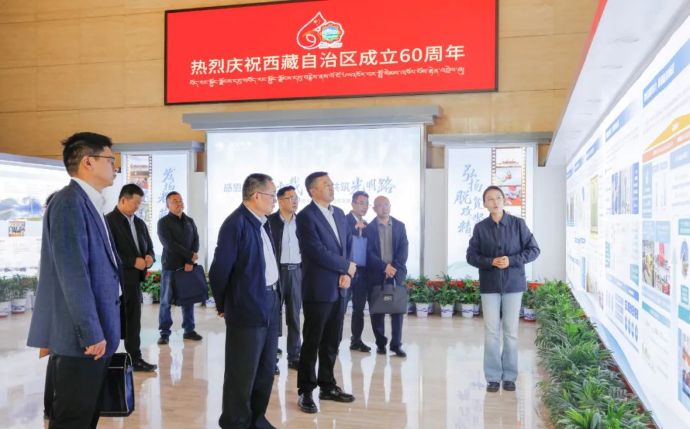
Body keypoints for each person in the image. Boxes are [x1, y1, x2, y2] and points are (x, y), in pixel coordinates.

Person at [27, 132, 121, 428]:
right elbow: (73, 274)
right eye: (110, 159)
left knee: (86, 416)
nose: (115, 166)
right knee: (73, 419)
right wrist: (91, 332)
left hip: (96, 336)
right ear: (88, 162)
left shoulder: (90, 203)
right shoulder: (69, 203)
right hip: (81, 340)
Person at [209, 173, 281, 429]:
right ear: (256, 196)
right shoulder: (235, 224)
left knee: (265, 369)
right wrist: (224, 304)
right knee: (242, 372)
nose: (275, 200)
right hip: (247, 306)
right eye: (272, 195)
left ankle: (256, 418)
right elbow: (219, 271)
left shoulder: (264, 223)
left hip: (270, 301)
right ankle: (235, 422)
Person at [466, 186, 540, 392]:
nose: (495, 202)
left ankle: (509, 376)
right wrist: (490, 261)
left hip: (513, 285)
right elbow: (471, 256)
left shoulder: (518, 224)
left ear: (504, 200)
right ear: (485, 204)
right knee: (491, 332)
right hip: (489, 285)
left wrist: (511, 260)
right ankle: (492, 377)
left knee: (510, 332)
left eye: (498, 198)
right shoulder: (480, 228)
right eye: (490, 199)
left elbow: (534, 250)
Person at [296, 171, 356, 414]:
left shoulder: (339, 213)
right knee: (312, 341)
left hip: (340, 287)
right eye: (326, 184)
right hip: (318, 289)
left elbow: (348, 246)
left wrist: (348, 273)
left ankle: (327, 386)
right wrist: (345, 266)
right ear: (313, 191)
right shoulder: (305, 217)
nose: (331, 187)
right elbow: (316, 251)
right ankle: (305, 390)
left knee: (332, 340)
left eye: (331, 183)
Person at [106, 183, 157, 372]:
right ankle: (106, 359)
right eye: (135, 203)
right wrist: (132, 261)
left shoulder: (139, 223)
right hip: (116, 281)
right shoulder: (108, 222)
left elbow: (149, 246)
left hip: (134, 281)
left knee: (134, 321)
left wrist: (149, 257)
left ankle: (135, 359)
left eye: (139, 203)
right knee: (113, 321)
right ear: (123, 200)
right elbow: (109, 251)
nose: (137, 207)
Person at [364, 196, 409, 357]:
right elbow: (368, 252)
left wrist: (393, 268)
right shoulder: (368, 228)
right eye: (380, 205)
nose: (384, 208)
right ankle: (380, 344)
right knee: (377, 311)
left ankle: (396, 345)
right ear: (374, 209)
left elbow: (403, 249)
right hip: (377, 273)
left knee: (397, 311)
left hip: (396, 273)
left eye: (386, 205)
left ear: (390, 206)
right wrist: (384, 267)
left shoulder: (400, 226)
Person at [157, 191, 202, 344]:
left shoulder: (189, 221)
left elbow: (196, 240)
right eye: (175, 201)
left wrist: (190, 261)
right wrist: (189, 255)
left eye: (180, 200)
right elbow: (169, 244)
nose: (179, 203)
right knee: (165, 301)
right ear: (167, 205)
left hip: (187, 267)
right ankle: (164, 333)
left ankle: (189, 330)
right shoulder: (163, 222)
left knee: (188, 300)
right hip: (170, 267)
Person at [267, 185, 302, 371]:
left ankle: (294, 356)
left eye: (296, 197)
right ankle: (271, 357)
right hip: (277, 273)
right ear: (280, 201)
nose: (294, 201)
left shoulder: (302, 222)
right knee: (274, 316)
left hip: (296, 272)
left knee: (294, 316)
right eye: (290, 198)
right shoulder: (270, 221)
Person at [346, 190, 373, 352]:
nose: (364, 207)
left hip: (362, 273)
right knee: (340, 309)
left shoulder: (368, 225)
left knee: (359, 309)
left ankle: (356, 340)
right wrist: (355, 228)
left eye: (367, 204)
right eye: (361, 203)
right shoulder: (344, 221)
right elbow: (340, 241)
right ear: (353, 204)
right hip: (346, 272)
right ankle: (333, 342)